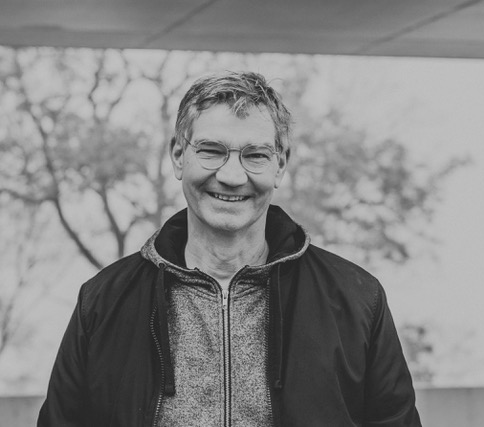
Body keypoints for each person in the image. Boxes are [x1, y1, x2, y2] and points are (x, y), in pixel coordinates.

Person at [38, 71, 421, 426]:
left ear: (280, 165)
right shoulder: (102, 302)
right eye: (211, 150)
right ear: (178, 156)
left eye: (255, 155)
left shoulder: (357, 300)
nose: (232, 176)